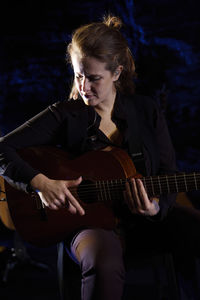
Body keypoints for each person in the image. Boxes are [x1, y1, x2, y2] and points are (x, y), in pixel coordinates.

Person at [0, 15, 199, 300]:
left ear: (117, 73)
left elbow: (168, 170)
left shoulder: (146, 111)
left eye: (93, 78)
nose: (83, 87)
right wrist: (40, 182)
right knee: (103, 261)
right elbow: (1, 149)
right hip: (86, 224)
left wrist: (154, 209)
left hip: (145, 223)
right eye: (79, 75)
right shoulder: (64, 114)